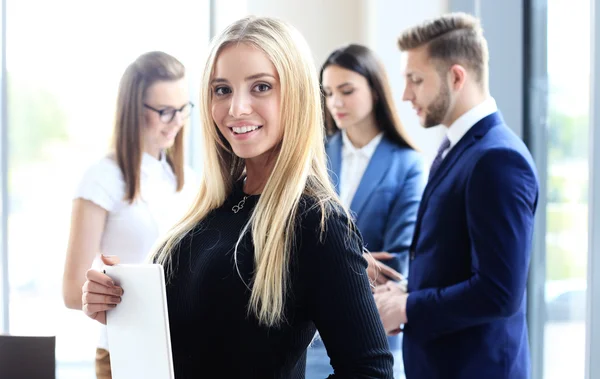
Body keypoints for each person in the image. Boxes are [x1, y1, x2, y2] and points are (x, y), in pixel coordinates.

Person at [80, 16, 394, 378]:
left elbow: (370, 372)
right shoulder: (211, 208)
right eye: (222, 89)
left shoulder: (317, 221)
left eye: (261, 87)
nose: (236, 108)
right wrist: (115, 300)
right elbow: (197, 336)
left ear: (297, 95)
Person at [374, 12, 539, 379]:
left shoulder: (499, 159)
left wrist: (408, 307)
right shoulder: (458, 147)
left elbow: (499, 293)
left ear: (456, 76)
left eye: (415, 80)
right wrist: (402, 289)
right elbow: (456, 259)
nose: (405, 94)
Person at [62, 51, 197, 379]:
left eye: (182, 109)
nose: (176, 121)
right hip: (126, 352)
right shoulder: (102, 179)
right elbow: (71, 291)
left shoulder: (188, 180)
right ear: (133, 110)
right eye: (164, 111)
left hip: (185, 350)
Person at [306, 43, 425, 378]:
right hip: (306, 340)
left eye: (346, 90)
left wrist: (324, 264)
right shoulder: (313, 157)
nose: (336, 103)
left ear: (375, 90)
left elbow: (396, 262)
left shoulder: (408, 164)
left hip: (373, 337)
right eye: (328, 93)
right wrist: (357, 262)